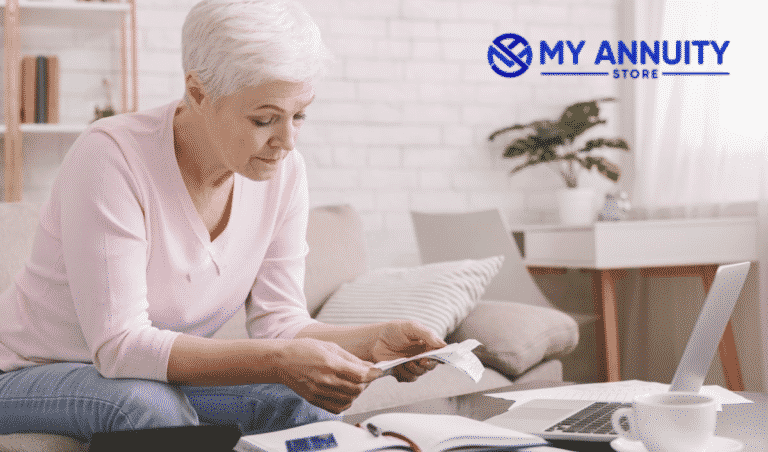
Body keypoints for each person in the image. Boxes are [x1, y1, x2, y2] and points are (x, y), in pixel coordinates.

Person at [0, 0, 445, 443]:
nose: (286, 141)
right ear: (197, 92)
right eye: (265, 119)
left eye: (299, 115)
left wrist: (374, 341)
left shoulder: (284, 173)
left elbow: (280, 324)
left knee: (295, 401)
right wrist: (277, 361)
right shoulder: (111, 157)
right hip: (29, 372)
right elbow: (120, 348)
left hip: (140, 374)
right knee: (148, 405)